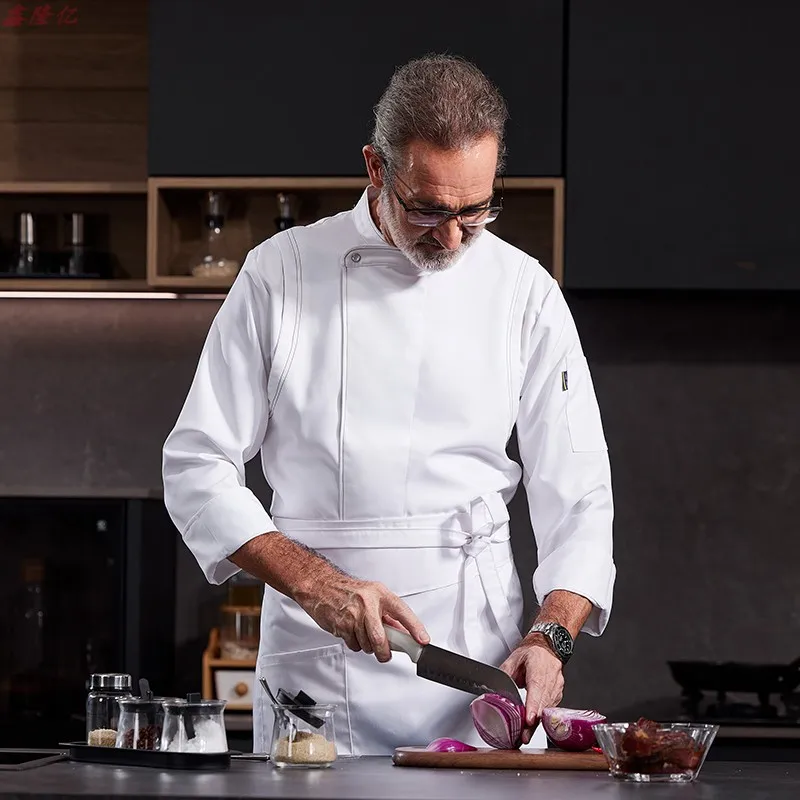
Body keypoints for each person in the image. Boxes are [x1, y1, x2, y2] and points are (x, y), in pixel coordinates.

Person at [163, 54, 615, 755]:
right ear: (376, 169)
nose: (457, 236)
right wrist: (316, 584)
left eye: (476, 209)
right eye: (429, 210)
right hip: (320, 664)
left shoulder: (524, 291)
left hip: (478, 663)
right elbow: (197, 465)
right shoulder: (280, 274)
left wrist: (550, 634)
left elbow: (580, 490)